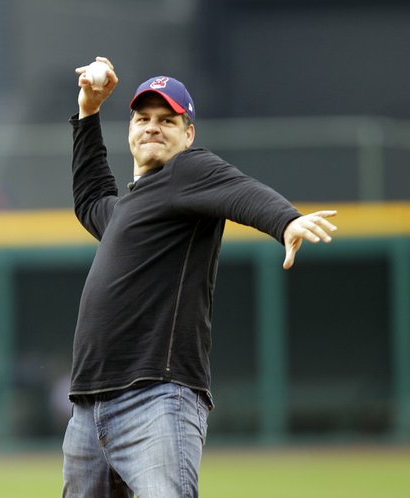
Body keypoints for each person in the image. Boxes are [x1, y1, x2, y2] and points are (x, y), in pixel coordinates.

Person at [62, 57, 337, 498]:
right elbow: (92, 196)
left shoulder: (187, 172)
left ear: (188, 134)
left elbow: (240, 190)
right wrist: (89, 111)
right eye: (143, 118)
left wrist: (285, 221)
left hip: (154, 398)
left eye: (167, 120)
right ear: (130, 130)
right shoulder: (124, 212)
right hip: (89, 407)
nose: (152, 127)